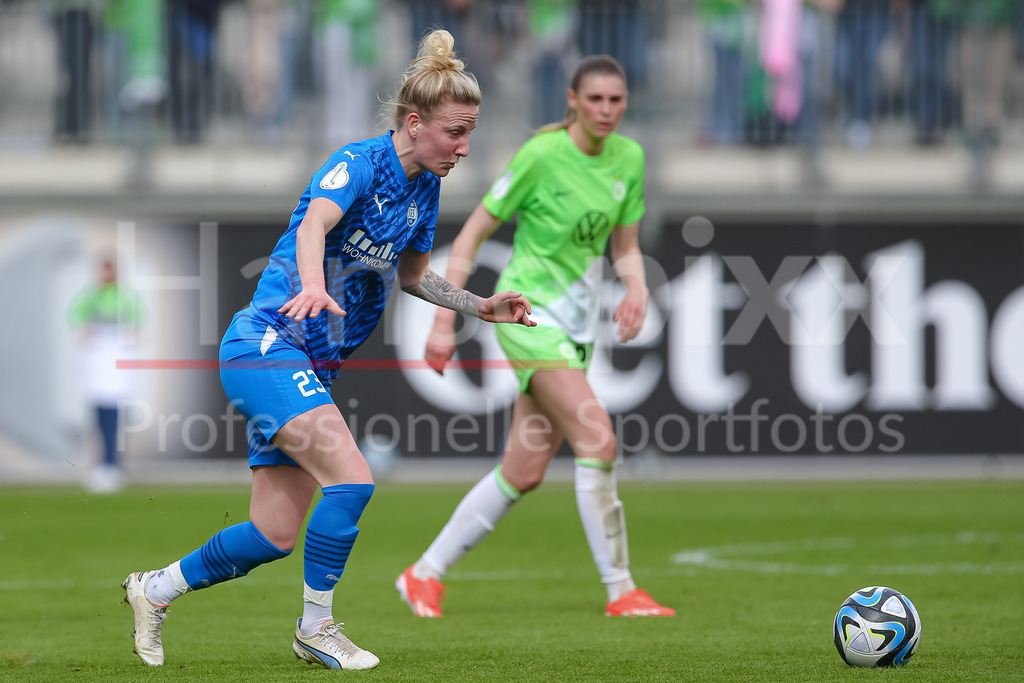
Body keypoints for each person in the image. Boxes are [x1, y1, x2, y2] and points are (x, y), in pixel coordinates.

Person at [122, 29, 535, 670]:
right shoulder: (360, 163)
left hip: (306, 363)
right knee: (352, 479)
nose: (464, 146)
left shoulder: (424, 191)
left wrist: (477, 306)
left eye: (470, 132)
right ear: (415, 122)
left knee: (272, 535)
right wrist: (312, 283)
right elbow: (315, 221)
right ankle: (317, 627)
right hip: (267, 345)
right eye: (456, 131)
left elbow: (410, 276)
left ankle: (154, 589)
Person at [396, 55, 675, 619]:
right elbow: (474, 231)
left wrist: (637, 288)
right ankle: (621, 590)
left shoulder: (630, 158)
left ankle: (422, 574)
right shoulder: (542, 156)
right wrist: (445, 320)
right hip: (529, 316)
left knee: (522, 471)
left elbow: (623, 244)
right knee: (598, 439)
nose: (606, 110)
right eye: (594, 99)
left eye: (616, 100)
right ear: (571, 99)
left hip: (577, 327)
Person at [67, 256, 146, 493]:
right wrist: (84, 331)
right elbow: (75, 316)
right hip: (96, 359)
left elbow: (139, 321)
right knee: (98, 411)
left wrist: (131, 336)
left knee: (113, 412)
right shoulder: (91, 296)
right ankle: (101, 462)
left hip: (116, 358)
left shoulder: (125, 296)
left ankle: (112, 464)